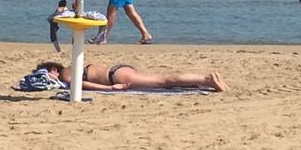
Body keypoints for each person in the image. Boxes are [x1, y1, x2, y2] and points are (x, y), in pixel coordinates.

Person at [36, 59, 226, 93]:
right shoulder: (72, 65)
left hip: (116, 77)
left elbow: (83, 85)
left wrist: (110, 88)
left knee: (164, 81)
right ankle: (203, 82)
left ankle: (206, 79)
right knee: (162, 83)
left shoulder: (65, 74)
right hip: (118, 70)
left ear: (54, 69)